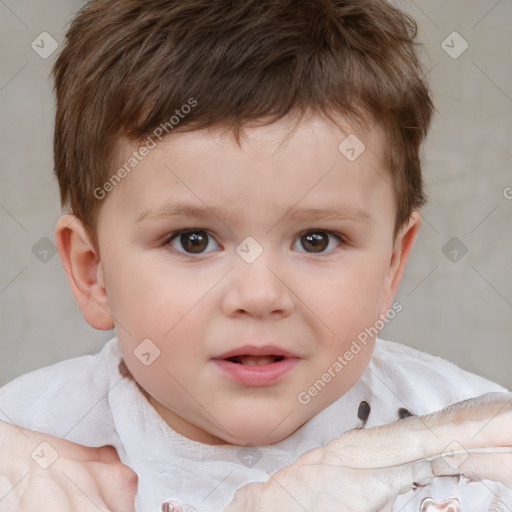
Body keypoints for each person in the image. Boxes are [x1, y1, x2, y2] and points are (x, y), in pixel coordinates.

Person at [0, 0, 510, 511]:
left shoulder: (475, 451)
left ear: (390, 268)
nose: (260, 295)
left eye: (317, 240)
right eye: (192, 240)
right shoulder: (28, 452)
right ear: (95, 274)